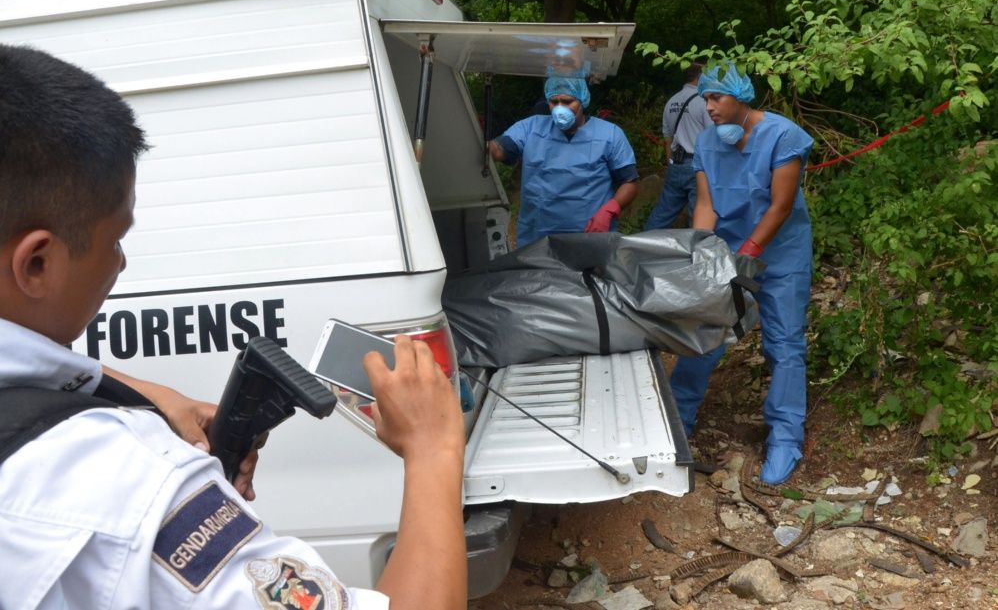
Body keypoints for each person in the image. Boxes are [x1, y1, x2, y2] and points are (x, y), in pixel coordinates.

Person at [0, 44, 466, 610]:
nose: (121, 263)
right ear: (37, 264)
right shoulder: (132, 485)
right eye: (115, 239)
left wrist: (139, 393)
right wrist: (435, 450)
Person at [673, 62, 813, 486]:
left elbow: (780, 206)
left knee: (784, 343)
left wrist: (749, 254)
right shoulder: (706, 143)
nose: (709, 107)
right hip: (728, 253)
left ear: (740, 96)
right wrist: (703, 250)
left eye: (716, 98)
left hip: (781, 256)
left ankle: (785, 437)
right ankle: (676, 421)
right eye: (706, 99)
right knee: (704, 333)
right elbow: (706, 205)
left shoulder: (783, 136)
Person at [489, 76, 639, 246]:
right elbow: (499, 149)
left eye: (567, 102)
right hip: (537, 239)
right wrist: (483, 146)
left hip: (590, 237)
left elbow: (629, 182)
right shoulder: (530, 128)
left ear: (582, 100)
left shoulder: (610, 134)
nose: (560, 108)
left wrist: (610, 210)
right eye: (554, 102)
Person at [644, 63, 712, 230]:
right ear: (700, 77)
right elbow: (712, 136)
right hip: (698, 165)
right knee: (698, 216)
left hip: (676, 164)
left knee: (662, 214)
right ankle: (696, 246)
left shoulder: (671, 101)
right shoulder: (704, 101)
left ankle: (643, 240)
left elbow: (668, 137)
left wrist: (671, 163)